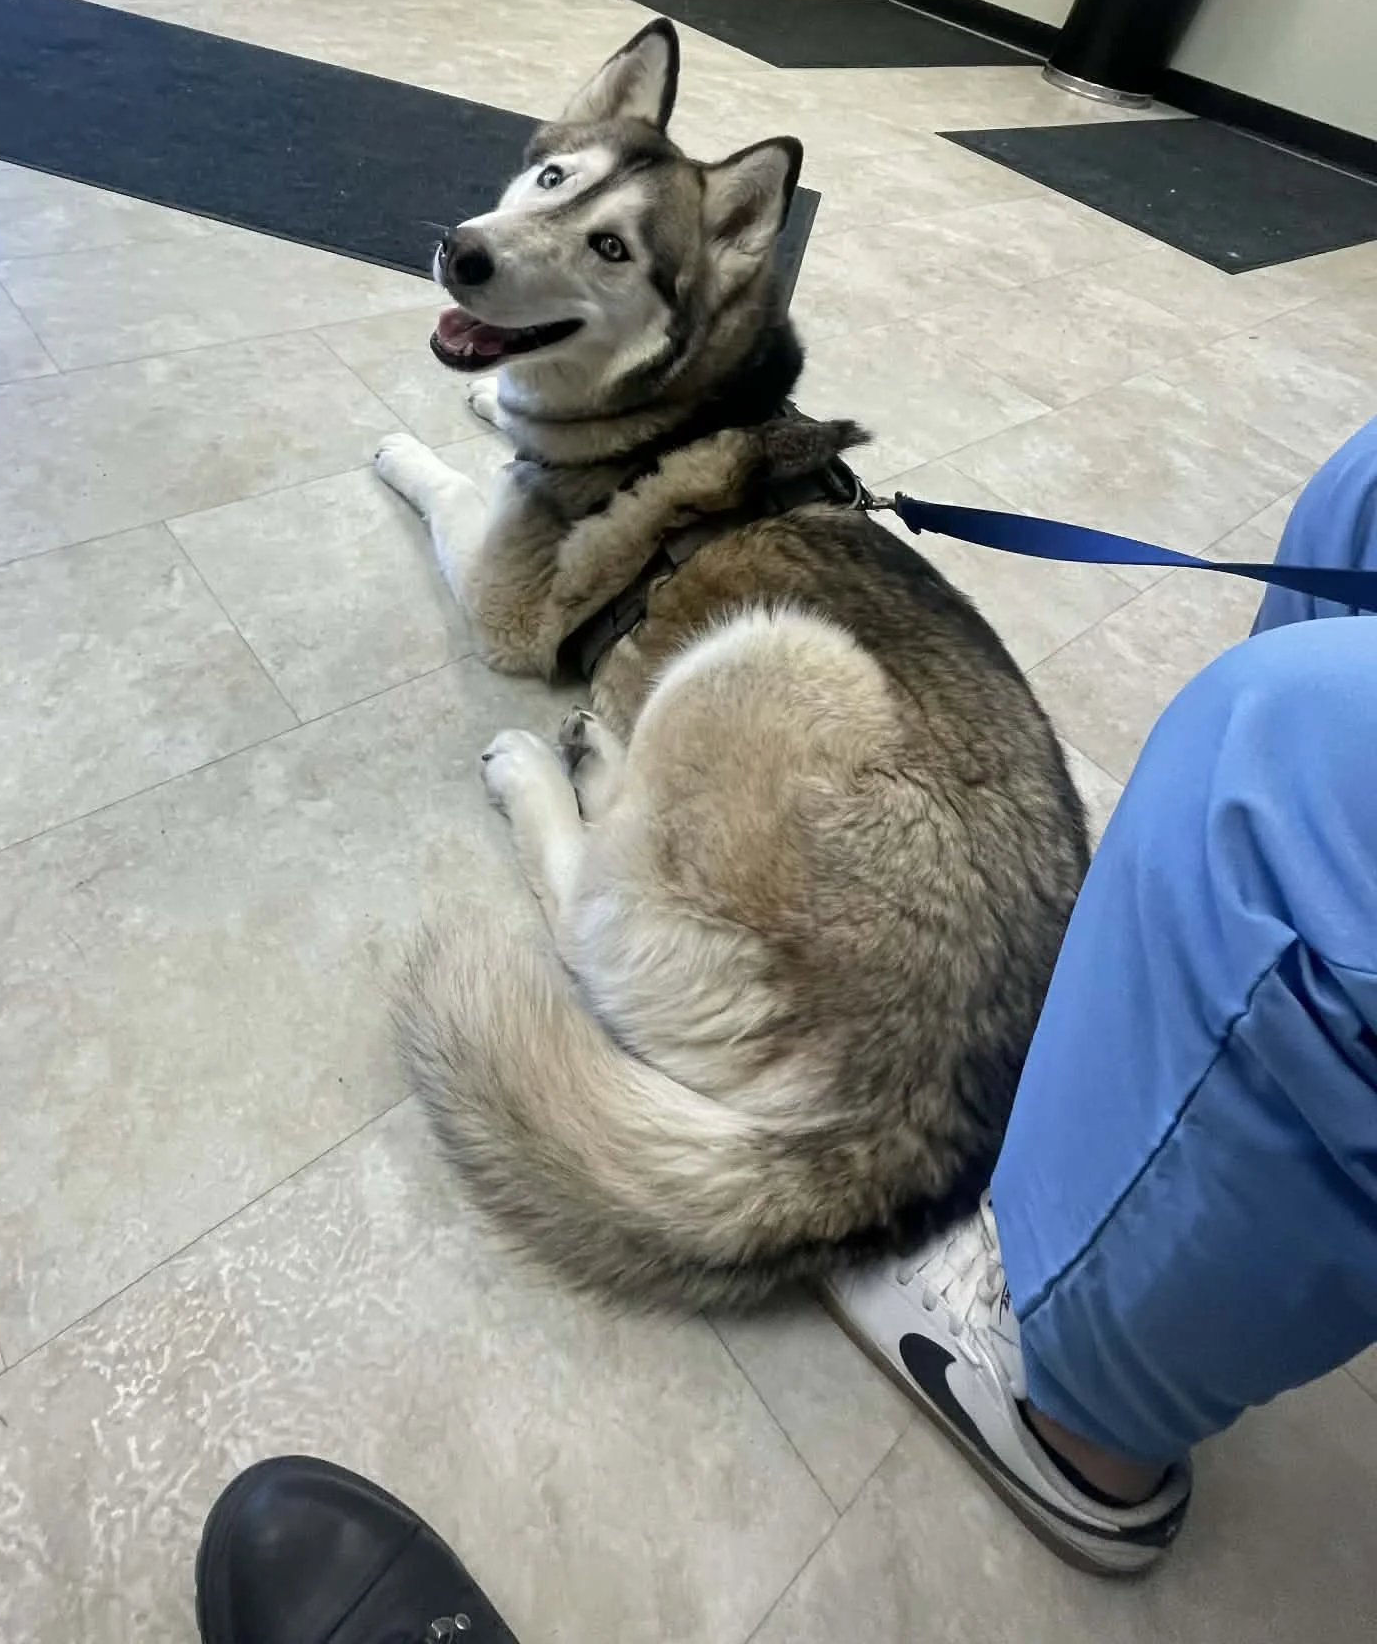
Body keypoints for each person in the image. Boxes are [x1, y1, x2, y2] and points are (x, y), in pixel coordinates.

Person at [195, 420, 1377, 1637]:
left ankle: (1079, 1400)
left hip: (813, 1015)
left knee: (1268, 735)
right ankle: (1144, 1024)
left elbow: (511, 611)